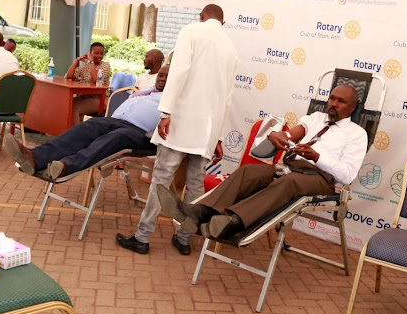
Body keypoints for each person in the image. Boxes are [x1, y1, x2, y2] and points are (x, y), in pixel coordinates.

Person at [157, 84, 367, 239]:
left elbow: (347, 175)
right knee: (249, 171)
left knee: (288, 183)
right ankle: (199, 212)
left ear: (352, 108)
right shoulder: (315, 118)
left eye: (341, 102)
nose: (333, 104)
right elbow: (293, 134)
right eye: (332, 98)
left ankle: (233, 222)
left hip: (321, 177)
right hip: (290, 167)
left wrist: (318, 157)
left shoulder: (357, 134)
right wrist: (278, 136)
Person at [116, 4, 239, 256]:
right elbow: (227, 99)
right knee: (195, 186)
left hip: (181, 123)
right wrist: (217, 136)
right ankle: (184, 239)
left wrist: (166, 112)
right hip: (206, 130)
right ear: (222, 23)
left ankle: (142, 237)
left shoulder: (191, 31)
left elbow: (178, 73)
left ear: (201, 17)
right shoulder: (231, 48)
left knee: (160, 180)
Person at [3, 65, 169, 180]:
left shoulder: (175, 99)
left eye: (168, 77)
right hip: (116, 121)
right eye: (161, 75)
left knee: (116, 137)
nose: (162, 79)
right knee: (88, 126)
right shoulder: (147, 92)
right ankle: (35, 157)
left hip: (144, 134)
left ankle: (66, 166)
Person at [66, 42, 111, 126]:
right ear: (90, 53)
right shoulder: (86, 66)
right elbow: (69, 76)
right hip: (86, 97)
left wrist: (91, 62)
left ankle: (74, 135)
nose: (99, 56)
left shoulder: (105, 65)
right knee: (69, 103)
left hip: (101, 100)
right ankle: (77, 130)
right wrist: (77, 60)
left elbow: (96, 80)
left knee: (75, 107)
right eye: (96, 53)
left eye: (101, 54)